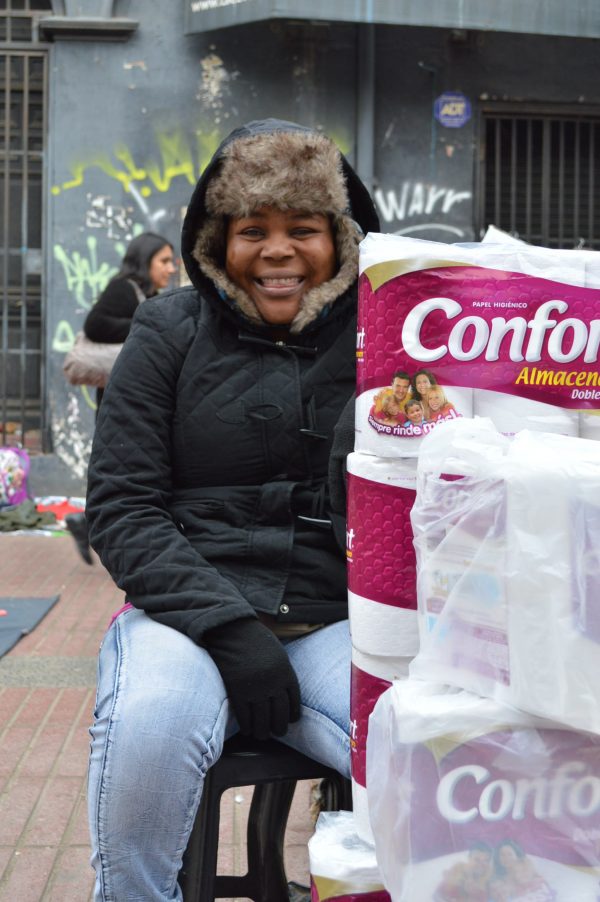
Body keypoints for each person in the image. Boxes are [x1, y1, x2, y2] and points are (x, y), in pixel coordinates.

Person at [84, 118, 380, 900]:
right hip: (186, 621)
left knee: (425, 747)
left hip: (329, 621)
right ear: (217, 239)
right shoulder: (167, 329)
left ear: (341, 237)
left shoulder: (382, 340)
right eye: (254, 230)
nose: (278, 252)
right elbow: (122, 508)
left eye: (303, 229)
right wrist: (230, 629)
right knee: (149, 733)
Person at [64, 232, 176, 566]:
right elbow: (96, 324)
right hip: (120, 402)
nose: (171, 269)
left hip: (137, 399)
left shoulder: (147, 293)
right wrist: (149, 325)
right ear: (145, 261)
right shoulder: (123, 288)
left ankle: (85, 523)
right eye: (164, 261)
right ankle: (94, 525)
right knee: (123, 469)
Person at [489, 840, 556, 902]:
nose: (506, 858)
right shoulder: (499, 878)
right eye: (502, 855)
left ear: (517, 856)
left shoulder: (526, 868)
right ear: (498, 858)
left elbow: (540, 887)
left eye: (510, 854)